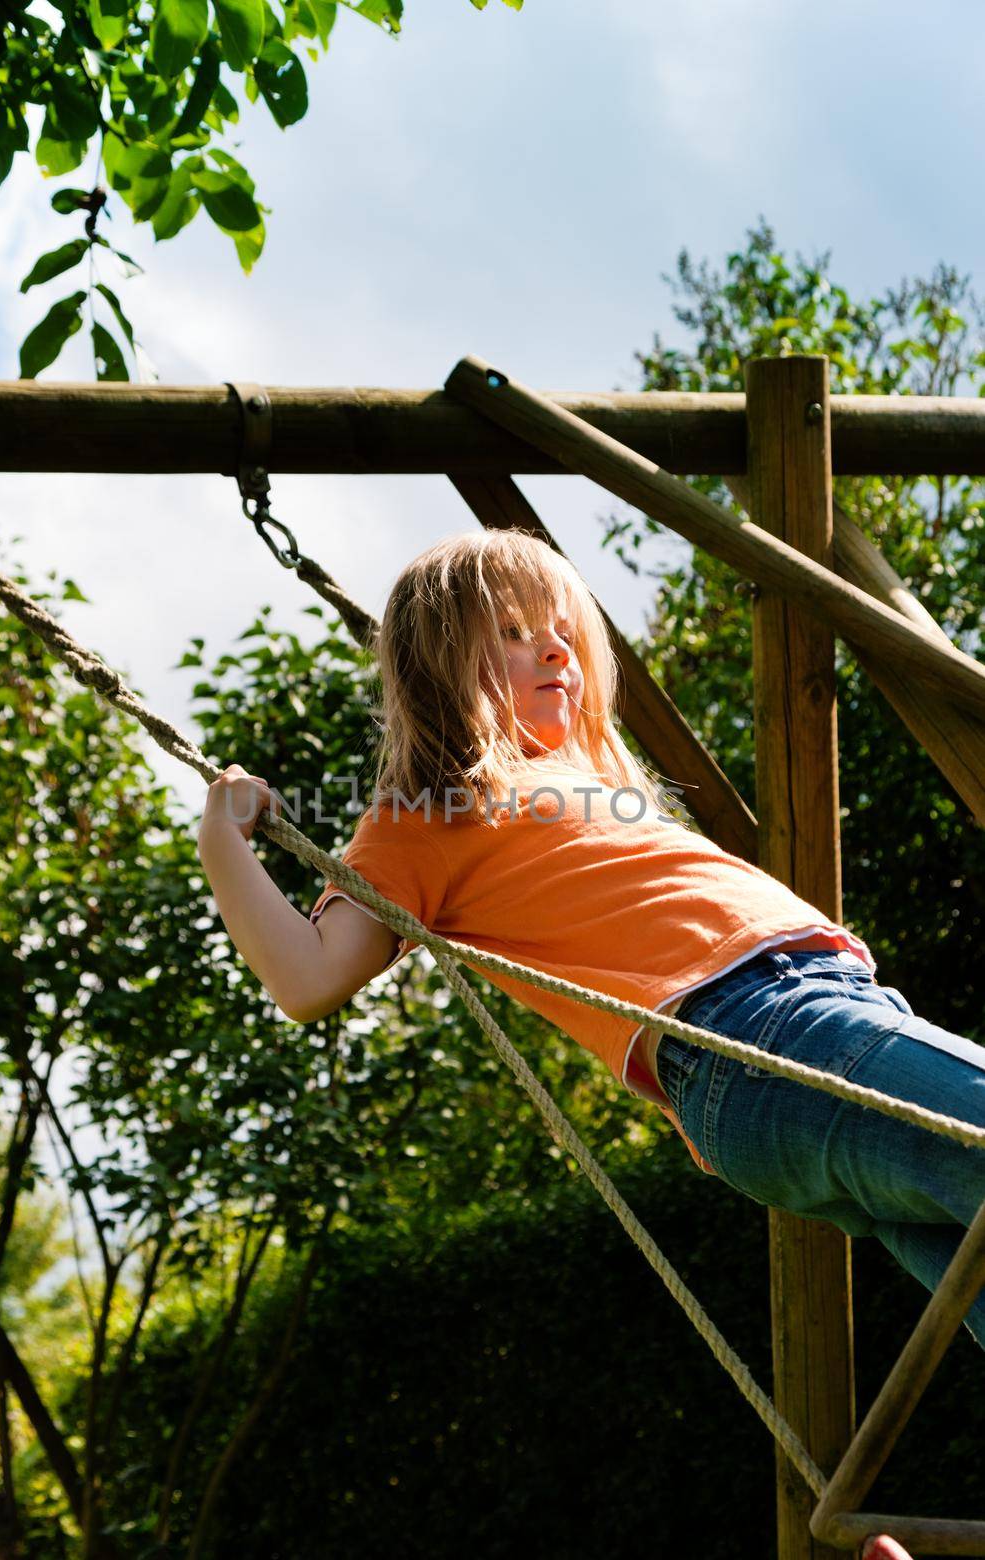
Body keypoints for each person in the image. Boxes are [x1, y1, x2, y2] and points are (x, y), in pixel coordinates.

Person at [197, 528, 985, 1348]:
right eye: (510, 634)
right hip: (753, 1036)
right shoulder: (427, 812)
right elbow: (307, 979)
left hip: (813, 1021)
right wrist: (223, 840)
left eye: (560, 636)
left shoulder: (584, 783)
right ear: (439, 666)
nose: (551, 654)